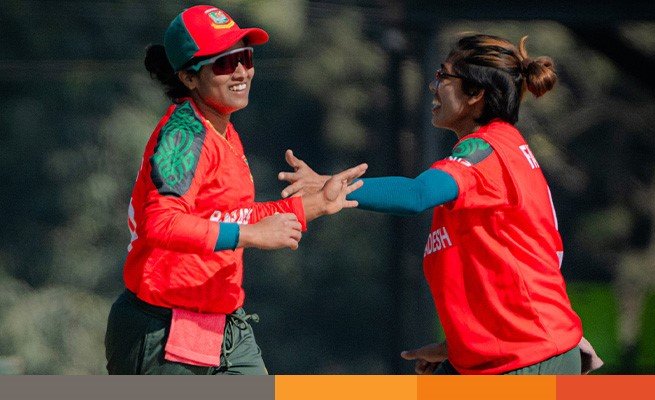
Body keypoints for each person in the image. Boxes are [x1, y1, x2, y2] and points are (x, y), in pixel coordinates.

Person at [278, 34, 603, 374]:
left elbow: (416, 195)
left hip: (529, 356)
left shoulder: (484, 150)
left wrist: (333, 187)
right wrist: (461, 347)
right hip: (510, 355)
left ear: (475, 94)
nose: (434, 86)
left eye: (443, 76)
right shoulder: (495, 154)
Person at [104, 5, 366, 375]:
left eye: (245, 57)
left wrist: (317, 203)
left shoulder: (223, 130)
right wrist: (250, 235)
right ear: (189, 78)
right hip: (162, 330)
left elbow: (232, 216)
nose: (242, 71)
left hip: (222, 326)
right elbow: (161, 223)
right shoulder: (185, 134)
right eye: (225, 63)